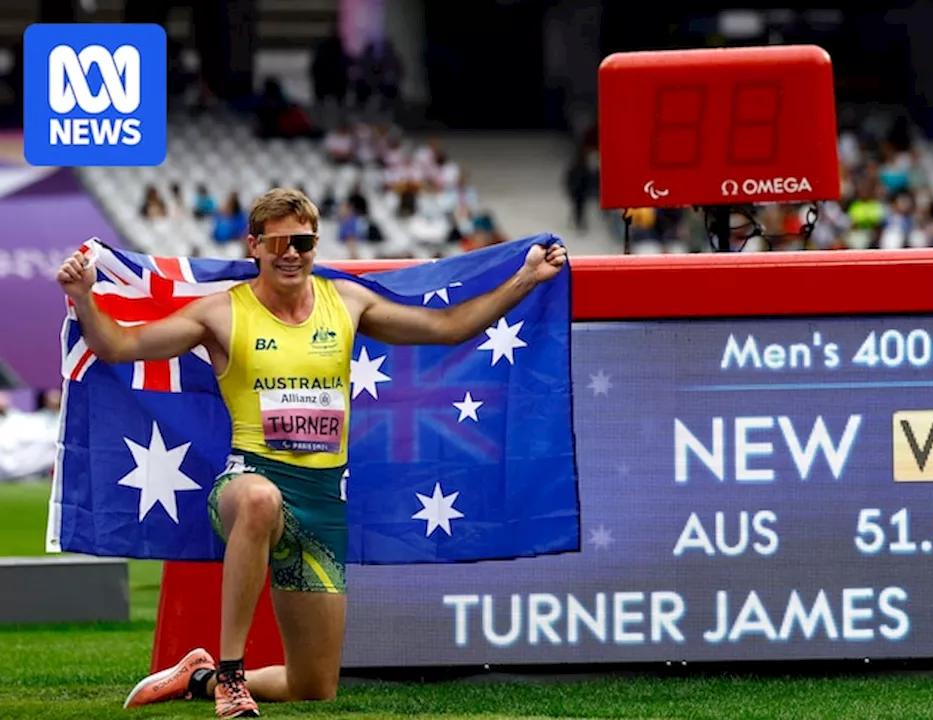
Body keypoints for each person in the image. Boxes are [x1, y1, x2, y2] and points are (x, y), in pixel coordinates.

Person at [55, 188, 568, 718]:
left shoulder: (346, 302)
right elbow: (120, 347)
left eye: (302, 241)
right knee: (260, 501)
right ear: (254, 246)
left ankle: (202, 677)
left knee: (313, 686)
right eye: (278, 242)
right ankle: (232, 675)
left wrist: (526, 278)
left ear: (315, 244)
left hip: (321, 506)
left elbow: (448, 328)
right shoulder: (221, 313)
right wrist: (84, 297)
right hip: (246, 481)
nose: (292, 253)